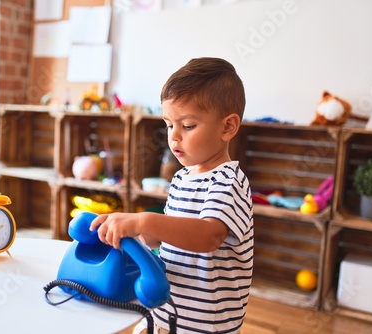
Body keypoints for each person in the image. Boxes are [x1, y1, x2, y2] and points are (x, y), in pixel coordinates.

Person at [90, 57, 254, 333]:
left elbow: (207, 236)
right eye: (168, 124)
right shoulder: (181, 178)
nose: (174, 137)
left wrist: (143, 221)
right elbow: (164, 236)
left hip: (206, 323)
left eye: (188, 126)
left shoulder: (228, 182)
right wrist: (127, 231)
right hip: (167, 309)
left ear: (227, 127)